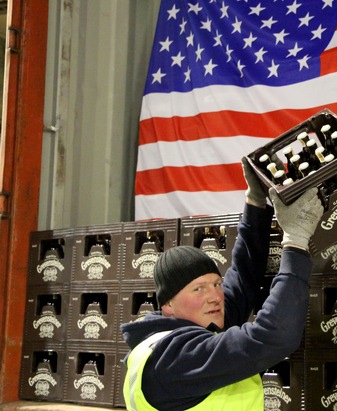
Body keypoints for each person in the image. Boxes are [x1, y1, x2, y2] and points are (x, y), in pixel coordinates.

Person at [121, 157, 324, 411]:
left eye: (216, 284)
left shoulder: (195, 327)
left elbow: (242, 277)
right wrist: (295, 241)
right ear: (168, 305)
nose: (215, 296)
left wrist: (256, 203)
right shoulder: (174, 359)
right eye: (198, 289)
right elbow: (274, 336)